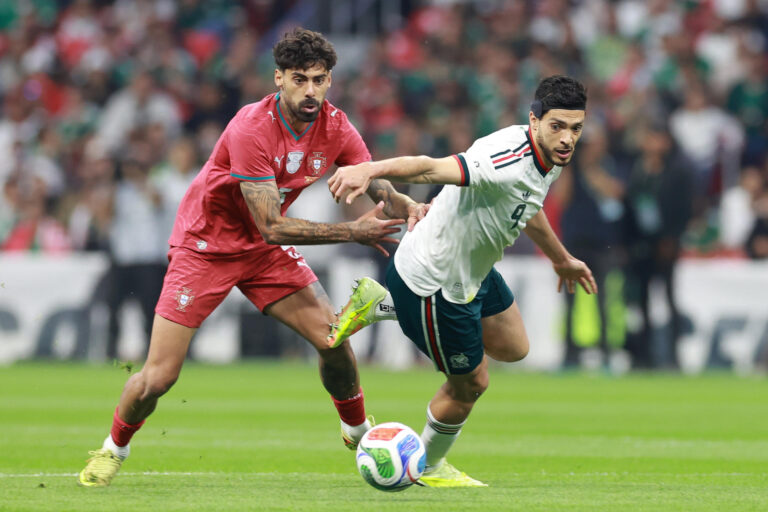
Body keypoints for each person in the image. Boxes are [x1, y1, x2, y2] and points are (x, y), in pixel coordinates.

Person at [78, 28, 428, 487]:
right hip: (206, 247)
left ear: (329, 81)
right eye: (299, 79)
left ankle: (359, 433)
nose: (310, 90)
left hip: (263, 253)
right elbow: (272, 224)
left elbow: (370, 180)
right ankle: (112, 449)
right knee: (159, 377)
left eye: (319, 80)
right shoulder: (252, 127)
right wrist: (353, 232)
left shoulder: (336, 124)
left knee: (332, 340)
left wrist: (407, 206)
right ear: (278, 78)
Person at [327, 75, 597, 487]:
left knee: (515, 347)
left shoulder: (547, 159)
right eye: (557, 126)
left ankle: (383, 304)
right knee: (471, 383)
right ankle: (428, 466)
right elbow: (429, 166)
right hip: (434, 281)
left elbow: (528, 203)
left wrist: (561, 259)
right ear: (534, 121)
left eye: (575, 128)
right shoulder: (502, 158)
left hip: (471, 270)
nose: (567, 139)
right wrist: (369, 169)